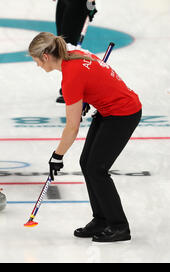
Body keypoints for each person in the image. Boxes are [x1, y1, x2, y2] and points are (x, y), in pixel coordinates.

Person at [28, 32, 142, 242]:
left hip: (123, 114)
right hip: (109, 110)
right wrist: (88, 98)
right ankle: (101, 219)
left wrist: (57, 156)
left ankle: (119, 226)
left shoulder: (71, 77)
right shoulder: (75, 55)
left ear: (45, 56)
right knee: (86, 163)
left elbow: (72, 128)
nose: (37, 65)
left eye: (35, 60)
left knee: (97, 169)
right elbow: (97, 79)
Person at [54, 0, 97, 103]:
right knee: (62, 44)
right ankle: (68, 86)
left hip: (77, 3)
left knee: (68, 46)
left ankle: (73, 88)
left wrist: (90, 4)